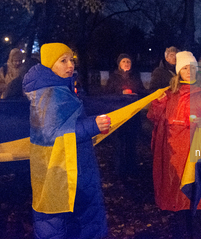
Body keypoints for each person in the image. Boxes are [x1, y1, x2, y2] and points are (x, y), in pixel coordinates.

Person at [22, 43, 109, 239]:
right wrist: (93, 125)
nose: (70, 65)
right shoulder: (50, 95)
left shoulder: (61, 89)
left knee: (75, 221)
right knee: (59, 224)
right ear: (50, 65)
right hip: (61, 172)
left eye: (71, 60)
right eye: (63, 61)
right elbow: (53, 134)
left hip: (72, 167)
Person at [147, 51, 201, 238]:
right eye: (184, 68)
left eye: (191, 67)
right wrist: (157, 104)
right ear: (178, 71)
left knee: (197, 197)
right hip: (174, 156)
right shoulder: (168, 94)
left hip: (198, 155)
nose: (188, 71)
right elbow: (153, 117)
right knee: (178, 199)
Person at [105, 53, 145, 178]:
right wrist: (120, 93)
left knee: (131, 143)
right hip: (119, 115)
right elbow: (107, 93)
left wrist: (136, 93)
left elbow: (142, 90)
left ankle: (131, 168)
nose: (126, 63)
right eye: (124, 61)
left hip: (133, 116)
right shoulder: (113, 77)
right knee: (119, 143)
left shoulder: (135, 76)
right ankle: (119, 169)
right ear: (119, 64)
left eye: (128, 61)